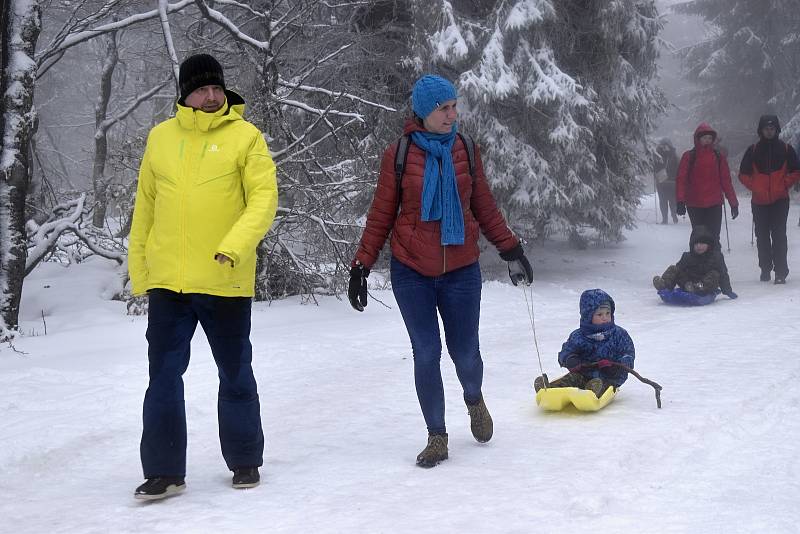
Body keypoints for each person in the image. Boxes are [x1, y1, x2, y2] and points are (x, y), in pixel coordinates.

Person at [348, 74, 533, 468]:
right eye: (443, 109)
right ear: (424, 112)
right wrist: (361, 265)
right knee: (427, 352)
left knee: (465, 354)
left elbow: (484, 205)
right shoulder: (398, 155)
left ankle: (473, 397)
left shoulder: (466, 149)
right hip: (411, 269)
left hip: (461, 269)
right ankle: (437, 436)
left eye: (454, 106)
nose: (452, 114)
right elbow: (381, 214)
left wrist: (510, 247)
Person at [128, 53, 279, 500]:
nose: (211, 96)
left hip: (224, 279)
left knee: (234, 373)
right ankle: (165, 472)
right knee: (163, 378)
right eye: (201, 89)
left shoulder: (246, 138)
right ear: (185, 94)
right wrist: (141, 268)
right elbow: (146, 208)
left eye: (216, 88)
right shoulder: (160, 139)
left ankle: (245, 460)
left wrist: (234, 245)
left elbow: (264, 199)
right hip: (169, 285)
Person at [533, 289, 635, 398]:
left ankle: (592, 392)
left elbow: (628, 352)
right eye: (599, 314)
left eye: (608, 313)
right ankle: (548, 390)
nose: (605, 317)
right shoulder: (579, 336)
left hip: (609, 376)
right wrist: (570, 359)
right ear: (588, 316)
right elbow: (566, 351)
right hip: (583, 373)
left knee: (601, 384)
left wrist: (619, 366)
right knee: (572, 379)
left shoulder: (619, 334)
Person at [738, 115, 800, 284]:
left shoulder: (787, 149)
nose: (769, 131)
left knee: (779, 235)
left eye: (772, 128)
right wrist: (756, 187)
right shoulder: (753, 150)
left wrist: (783, 185)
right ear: (761, 130)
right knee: (762, 236)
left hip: (780, 200)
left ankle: (781, 272)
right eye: (766, 128)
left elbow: (795, 171)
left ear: (777, 129)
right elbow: (743, 174)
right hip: (759, 202)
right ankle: (765, 268)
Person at [675, 122, 740, 242]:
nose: (707, 141)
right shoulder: (689, 156)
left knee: (714, 236)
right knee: (698, 237)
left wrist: (733, 203)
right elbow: (681, 180)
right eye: (704, 138)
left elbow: (726, 181)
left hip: (714, 203)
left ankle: (715, 259)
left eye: (710, 138)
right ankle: (697, 260)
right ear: (698, 139)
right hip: (695, 203)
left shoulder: (719, 157)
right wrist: (680, 201)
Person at [652, 225, 738, 299]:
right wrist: (683, 281)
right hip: (688, 284)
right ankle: (664, 285)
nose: (698, 246)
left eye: (702, 244)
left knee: (714, 274)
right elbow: (677, 271)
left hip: (705, 286)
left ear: (709, 245)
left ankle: (697, 288)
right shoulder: (687, 256)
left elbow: (723, 275)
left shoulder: (716, 257)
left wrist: (728, 291)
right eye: (696, 244)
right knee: (674, 268)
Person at [654, 138, 679, 224]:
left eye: (666, 145)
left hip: (671, 181)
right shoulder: (657, 156)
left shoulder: (674, 156)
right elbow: (654, 168)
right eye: (663, 145)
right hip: (662, 182)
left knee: (672, 201)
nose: (664, 147)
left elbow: (678, 168)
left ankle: (674, 215)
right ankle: (665, 218)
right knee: (663, 201)